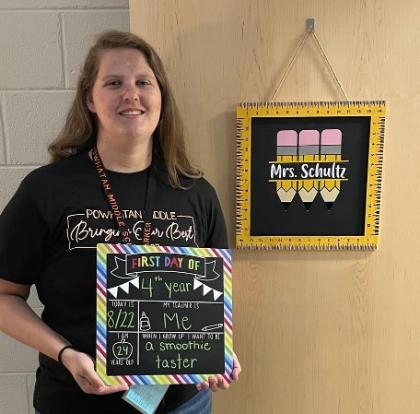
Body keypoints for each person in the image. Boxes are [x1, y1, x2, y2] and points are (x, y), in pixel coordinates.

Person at [0, 30, 240, 414]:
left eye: (143, 82)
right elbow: (4, 296)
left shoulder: (196, 194)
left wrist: (219, 354)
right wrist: (64, 353)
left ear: (160, 97)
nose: (131, 94)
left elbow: (212, 301)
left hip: (181, 404)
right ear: (89, 100)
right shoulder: (47, 190)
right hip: (75, 402)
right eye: (114, 83)